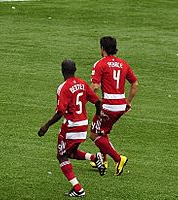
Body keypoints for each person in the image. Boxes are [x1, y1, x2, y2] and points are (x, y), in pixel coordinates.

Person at [38, 59, 106, 198]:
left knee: (61, 155)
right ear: (75, 70)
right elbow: (97, 101)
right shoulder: (82, 83)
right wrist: (99, 114)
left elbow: (60, 112)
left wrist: (46, 126)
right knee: (71, 152)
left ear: (62, 71)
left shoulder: (63, 87)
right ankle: (94, 157)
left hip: (71, 126)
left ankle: (78, 188)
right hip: (83, 124)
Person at [89, 36, 138, 176]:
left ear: (102, 48)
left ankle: (118, 158)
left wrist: (83, 98)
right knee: (103, 131)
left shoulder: (100, 64)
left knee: (94, 135)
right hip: (120, 106)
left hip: (108, 106)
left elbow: (95, 87)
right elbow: (135, 84)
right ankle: (103, 160)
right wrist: (128, 101)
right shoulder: (124, 64)